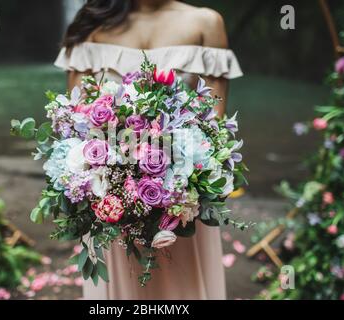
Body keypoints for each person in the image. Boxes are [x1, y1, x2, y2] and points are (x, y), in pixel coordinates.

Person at [54, 0, 243, 299]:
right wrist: (115, 178)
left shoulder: (206, 23)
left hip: (182, 202)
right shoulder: (92, 25)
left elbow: (215, 130)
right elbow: (73, 127)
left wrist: (173, 184)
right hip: (109, 203)